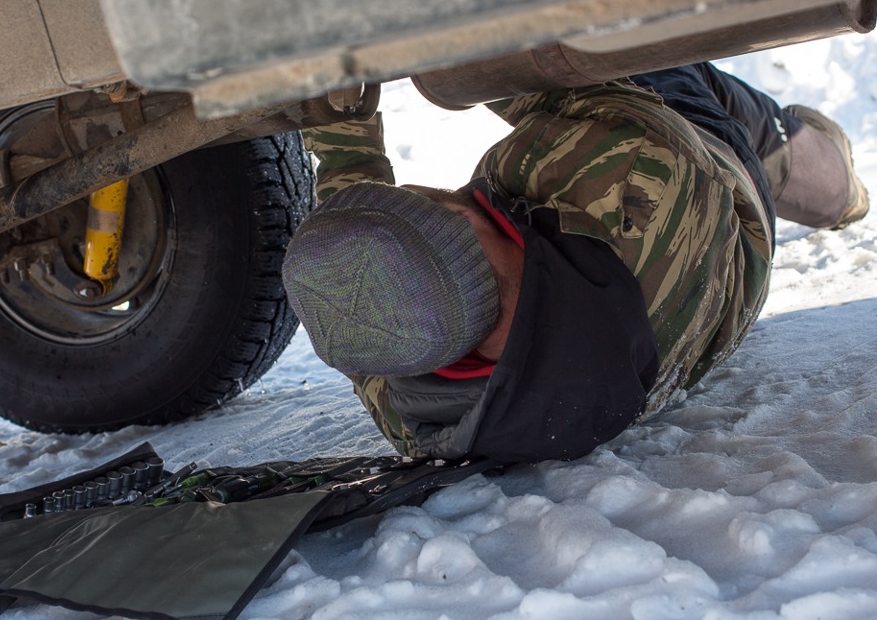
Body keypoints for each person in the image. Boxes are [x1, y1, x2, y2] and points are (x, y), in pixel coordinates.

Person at [282, 63, 869, 463]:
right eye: (428, 196)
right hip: (724, 199)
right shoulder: (630, 176)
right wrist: (445, 55)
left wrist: (341, 130)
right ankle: (842, 191)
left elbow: (356, 278)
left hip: (689, 290)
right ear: (463, 221)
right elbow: (562, 68)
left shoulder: (422, 400)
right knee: (746, 126)